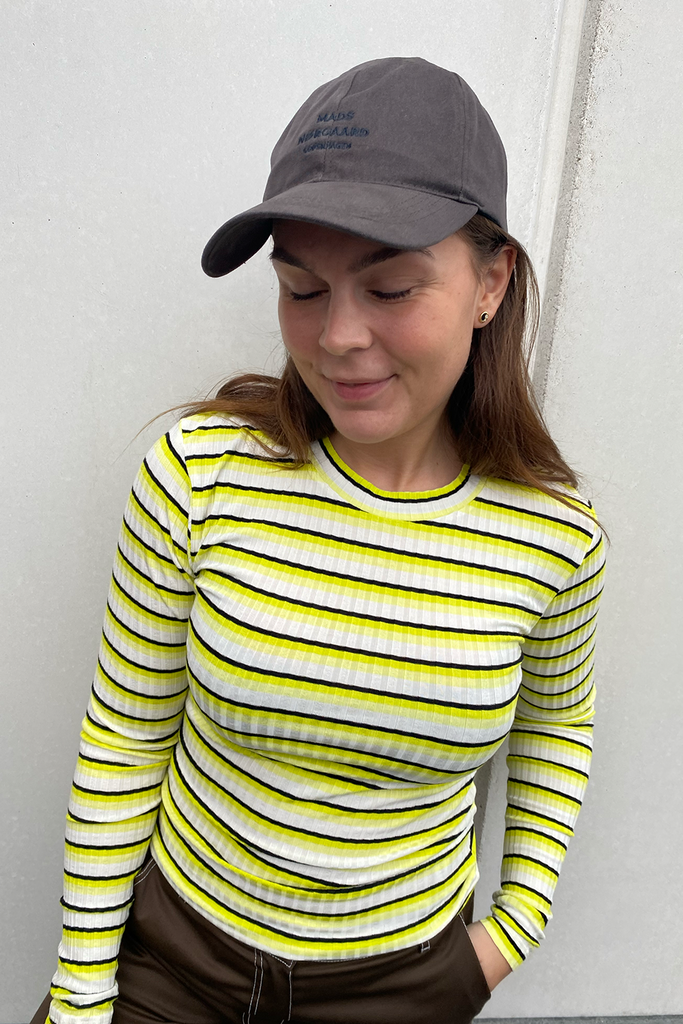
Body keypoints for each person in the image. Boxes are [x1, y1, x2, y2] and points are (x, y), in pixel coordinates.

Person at [34, 57, 605, 1024]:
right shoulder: (201, 474)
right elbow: (126, 733)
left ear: (490, 282)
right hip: (172, 967)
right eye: (301, 289)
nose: (337, 336)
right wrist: (83, 990)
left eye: (390, 289)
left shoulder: (553, 535)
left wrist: (509, 934)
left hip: (400, 985)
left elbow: (557, 728)